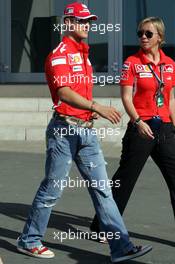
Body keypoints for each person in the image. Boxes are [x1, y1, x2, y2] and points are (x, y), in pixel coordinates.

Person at [16, 2, 152, 262]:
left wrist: (91, 112)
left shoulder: (83, 54)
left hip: (86, 133)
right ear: (68, 23)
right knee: (53, 188)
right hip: (64, 132)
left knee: (103, 190)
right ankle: (29, 239)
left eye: (88, 21)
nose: (86, 26)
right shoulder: (58, 54)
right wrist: (96, 106)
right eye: (81, 21)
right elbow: (64, 92)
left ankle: (120, 246)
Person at [90, 17, 175, 236]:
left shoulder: (170, 64)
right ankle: (103, 226)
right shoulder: (132, 62)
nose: (143, 38)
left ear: (160, 37)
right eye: (140, 34)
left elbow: (170, 99)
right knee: (124, 180)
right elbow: (127, 97)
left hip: (165, 129)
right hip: (141, 128)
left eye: (148, 33)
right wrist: (137, 122)